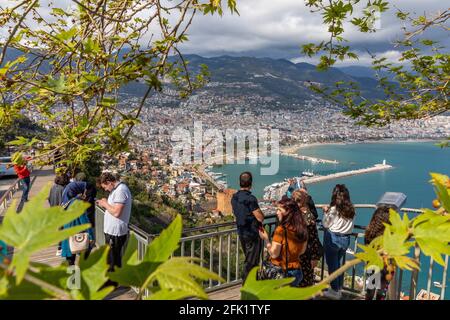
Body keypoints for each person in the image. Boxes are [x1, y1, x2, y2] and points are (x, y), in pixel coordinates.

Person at [258, 198, 308, 287]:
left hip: (281, 273)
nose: (277, 213)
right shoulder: (302, 228)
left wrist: (266, 239)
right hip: (297, 271)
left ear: (288, 212)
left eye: (279, 210)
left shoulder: (281, 230)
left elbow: (274, 254)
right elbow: (302, 251)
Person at [322, 184, 356, 299]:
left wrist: (325, 212)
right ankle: (338, 288)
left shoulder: (333, 209)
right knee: (338, 264)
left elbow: (325, 224)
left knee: (332, 266)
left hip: (333, 238)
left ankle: (335, 291)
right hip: (345, 239)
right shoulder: (352, 209)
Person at [231, 172, 265, 282]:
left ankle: (250, 283)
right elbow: (260, 217)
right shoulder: (251, 199)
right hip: (252, 234)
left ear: (239, 183)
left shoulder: (234, 198)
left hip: (241, 232)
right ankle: (248, 285)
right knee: (252, 262)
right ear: (250, 183)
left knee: (249, 259)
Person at [96, 172, 132, 273]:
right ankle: (115, 281)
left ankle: (111, 284)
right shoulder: (116, 190)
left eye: (105, 187)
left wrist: (105, 204)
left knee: (112, 261)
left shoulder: (121, 190)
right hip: (111, 231)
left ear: (109, 182)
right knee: (112, 258)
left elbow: (117, 212)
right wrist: (106, 202)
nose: (105, 189)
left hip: (115, 232)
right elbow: (114, 206)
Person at [292, 189, 323, 287]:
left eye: (298, 200)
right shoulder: (293, 214)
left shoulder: (307, 216)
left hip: (305, 253)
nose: (296, 203)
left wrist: (314, 256)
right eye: (294, 200)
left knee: (304, 280)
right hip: (296, 253)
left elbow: (313, 237)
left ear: (303, 201)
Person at [60, 181, 95, 265]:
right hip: (77, 238)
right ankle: (79, 277)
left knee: (70, 262)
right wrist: (91, 236)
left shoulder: (65, 204)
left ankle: (72, 277)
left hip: (67, 237)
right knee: (82, 261)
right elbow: (85, 222)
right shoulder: (77, 204)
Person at [364, 205, 393, 300]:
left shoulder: (369, 232)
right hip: (386, 267)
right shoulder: (390, 236)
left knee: (371, 288)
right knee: (382, 291)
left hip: (373, 265)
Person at [48, 174, 70, 257]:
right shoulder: (63, 189)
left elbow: (50, 199)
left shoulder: (53, 187)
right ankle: (60, 248)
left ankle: (60, 248)